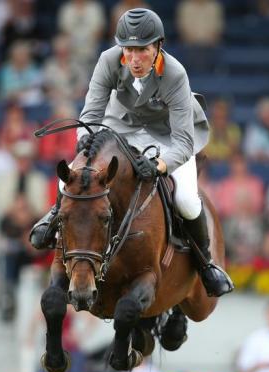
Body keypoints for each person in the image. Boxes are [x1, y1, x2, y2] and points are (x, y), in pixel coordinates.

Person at [29, 8, 233, 297]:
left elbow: (184, 143)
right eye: (129, 50)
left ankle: (205, 265)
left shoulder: (174, 74)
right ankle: (52, 218)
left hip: (169, 136)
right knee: (73, 176)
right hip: (119, 127)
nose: (134, 60)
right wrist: (86, 138)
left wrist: (160, 166)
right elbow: (92, 111)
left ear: (158, 46)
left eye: (142, 51)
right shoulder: (109, 60)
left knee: (187, 200)